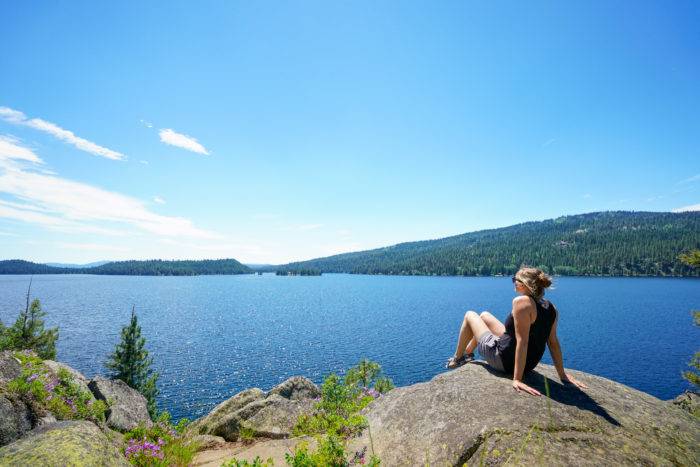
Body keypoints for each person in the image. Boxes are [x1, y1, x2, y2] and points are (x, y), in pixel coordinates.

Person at [445, 267, 587, 395]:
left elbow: (522, 342)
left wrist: (517, 379)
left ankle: (457, 359)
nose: (513, 282)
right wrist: (562, 375)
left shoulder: (522, 302)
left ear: (524, 284)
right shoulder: (551, 308)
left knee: (470, 314)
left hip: (503, 360)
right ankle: (468, 354)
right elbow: (553, 342)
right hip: (529, 364)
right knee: (484, 316)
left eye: (515, 280)